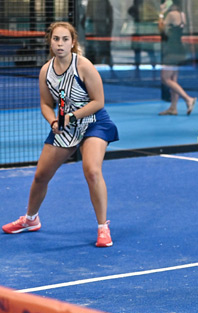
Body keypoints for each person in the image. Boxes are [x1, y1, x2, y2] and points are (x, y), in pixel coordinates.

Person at [2, 22, 119, 248]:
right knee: (40, 176)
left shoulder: (84, 66)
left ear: (72, 42)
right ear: (50, 42)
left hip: (94, 123)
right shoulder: (46, 71)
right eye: (56, 39)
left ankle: (103, 227)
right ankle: (30, 219)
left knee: (92, 171)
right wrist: (54, 120)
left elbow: (98, 102)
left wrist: (71, 117)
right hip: (65, 127)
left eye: (65, 39)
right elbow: (46, 104)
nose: (60, 44)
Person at [158, 0, 196, 115]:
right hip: (179, 47)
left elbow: (161, 29)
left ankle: (188, 99)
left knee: (165, 78)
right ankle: (173, 107)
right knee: (173, 79)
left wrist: (161, 13)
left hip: (172, 49)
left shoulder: (170, 14)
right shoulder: (182, 14)